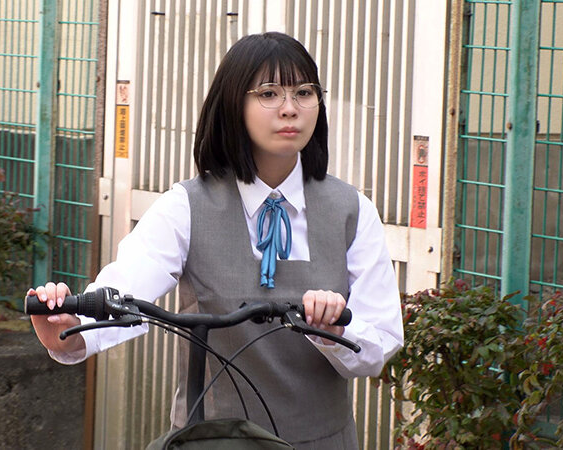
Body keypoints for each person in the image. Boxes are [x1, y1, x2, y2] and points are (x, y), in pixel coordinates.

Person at [27, 31, 403, 449]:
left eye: (304, 92)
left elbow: (380, 343)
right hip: (213, 441)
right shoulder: (186, 206)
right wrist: (73, 329)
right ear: (233, 104)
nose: (290, 108)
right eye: (269, 93)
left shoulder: (352, 209)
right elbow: (126, 289)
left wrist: (332, 330)